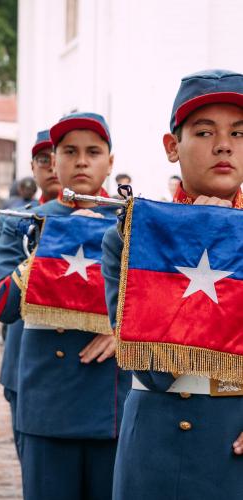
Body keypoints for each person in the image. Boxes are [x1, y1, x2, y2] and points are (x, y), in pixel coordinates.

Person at [102, 69, 243, 500]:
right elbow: (150, 366)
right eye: (203, 132)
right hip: (157, 444)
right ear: (172, 146)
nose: (223, 145)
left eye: (239, 133)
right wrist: (197, 239)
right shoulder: (131, 237)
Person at [0, 113, 130, 500]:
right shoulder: (24, 223)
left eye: (93, 151)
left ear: (110, 162)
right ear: (54, 161)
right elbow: (2, 305)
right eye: (70, 151)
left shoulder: (134, 224)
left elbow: (162, 307)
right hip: (48, 400)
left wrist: (123, 331)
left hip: (112, 397)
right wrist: (55, 245)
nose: (82, 161)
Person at [0, 129, 62, 458]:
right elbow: (1, 301)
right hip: (27, 364)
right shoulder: (15, 220)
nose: (52, 166)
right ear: (33, 168)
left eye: (58, 155)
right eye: (42, 159)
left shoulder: (115, 217)